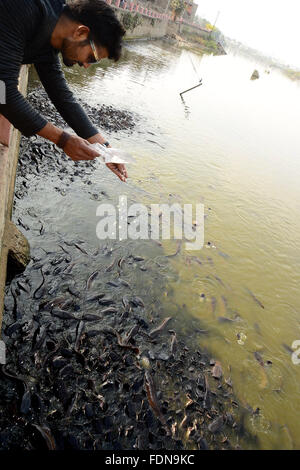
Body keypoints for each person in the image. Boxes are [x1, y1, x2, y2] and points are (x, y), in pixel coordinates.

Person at [0, 0, 128, 181]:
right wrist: (63, 140)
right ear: (81, 32)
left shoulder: (50, 40)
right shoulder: (25, 8)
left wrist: (106, 149)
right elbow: (4, 93)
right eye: (91, 58)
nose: (85, 66)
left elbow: (62, 97)